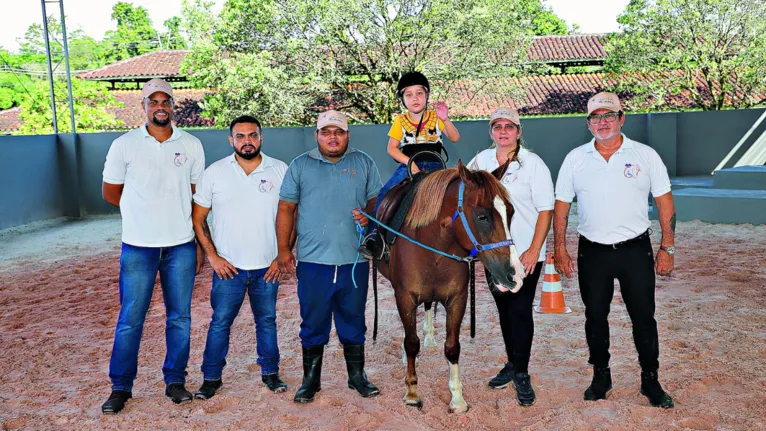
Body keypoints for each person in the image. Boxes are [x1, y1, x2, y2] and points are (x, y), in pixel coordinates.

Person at [553, 92, 676, 408]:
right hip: (592, 252)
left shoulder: (645, 155)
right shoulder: (576, 159)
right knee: (595, 317)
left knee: (644, 318)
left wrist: (668, 247)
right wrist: (561, 249)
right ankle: (601, 376)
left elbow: (664, 202)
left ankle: (651, 380)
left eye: (609, 116)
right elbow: (561, 206)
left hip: (636, 251)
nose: (603, 122)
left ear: (622, 119)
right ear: (588, 123)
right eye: (596, 117)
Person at [101, 79, 205, 414]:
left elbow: (195, 195)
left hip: (181, 247)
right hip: (138, 247)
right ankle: (121, 387)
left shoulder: (190, 144)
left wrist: (199, 241)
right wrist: (141, 216)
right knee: (131, 318)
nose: (160, 107)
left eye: (166, 101)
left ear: (173, 106)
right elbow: (111, 193)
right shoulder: (124, 145)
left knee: (180, 318)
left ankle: (175, 381)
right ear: (142, 106)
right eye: (153, 101)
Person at [276, 110, 383, 403]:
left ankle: (357, 377)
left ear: (348, 135)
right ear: (317, 136)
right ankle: (311, 380)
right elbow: (286, 208)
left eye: (338, 132)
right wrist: (284, 250)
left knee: (353, 318)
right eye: (326, 132)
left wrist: (369, 216)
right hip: (313, 262)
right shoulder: (300, 165)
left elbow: (376, 200)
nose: (332, 137)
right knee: (313, 321)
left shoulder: (363, 162)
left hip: (354, 260)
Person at [191, 115, 290, 400]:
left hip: (266, 267)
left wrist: (279, 257)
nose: (247, 141)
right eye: (241, 136)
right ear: (231, 140)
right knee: (220, 322)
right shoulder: (215, 172)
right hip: (228, 269)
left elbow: (291, 216)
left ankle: (271, 374)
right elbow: (198, 219)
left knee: (267, 321)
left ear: (261, 137)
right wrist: (212, 256)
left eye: (253, 135)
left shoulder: (280, 170)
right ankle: (211, 378)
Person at [467, 107, 554, 406]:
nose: (503, 131)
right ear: (491, 132)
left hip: (526, 253)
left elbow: (546, 209)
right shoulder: (480, 162)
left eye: (509, 126)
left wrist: (533, 250)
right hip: (495, 254)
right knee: (504, 310)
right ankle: (512, 362)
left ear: (518, 131)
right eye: (497, 127)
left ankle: (522, 374)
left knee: (519, 310)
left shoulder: (533, 164)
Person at [358, 71, 460, 257]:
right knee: (385, 193)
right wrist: (410, 164)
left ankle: (462, 240)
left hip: (436, 166)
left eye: (419, 93)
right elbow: (392, 149)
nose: (415, 98)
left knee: (459, 195)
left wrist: (445, 119)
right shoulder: (400, 121)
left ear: (427, 96)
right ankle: (373, 236)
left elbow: (454, 137)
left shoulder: (436, 117)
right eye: (409, 94)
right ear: (403, 100)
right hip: (408, 166)